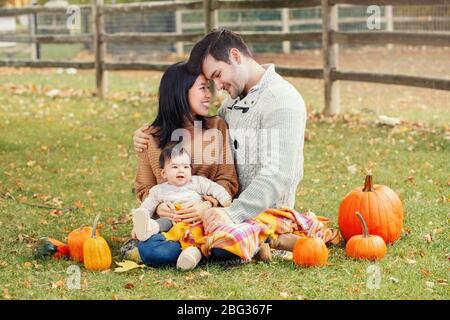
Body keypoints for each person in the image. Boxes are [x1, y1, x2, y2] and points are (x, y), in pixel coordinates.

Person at [133, 29, 307, 235]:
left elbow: (278, 174)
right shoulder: (231, 104)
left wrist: (228, 213)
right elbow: (197, 129)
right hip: (222, 216)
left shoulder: (282, 100)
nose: (218, 87)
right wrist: (146, 134)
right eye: (209, 81)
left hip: (263, 220)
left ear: (235, 56)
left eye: (217, 75)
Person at [123, 61, 241, 267]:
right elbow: (144, 187)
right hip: (170, 225)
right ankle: (192, 251)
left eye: (209, 88)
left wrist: (206, 205)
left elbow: (227, 180)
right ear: (180, 92)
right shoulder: (149, 136)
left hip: (208, 220)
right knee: (154, 252)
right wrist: (160, 206)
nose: (209, 95)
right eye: (202, 88)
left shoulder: (217, 127)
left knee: (226, 244)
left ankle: (200, 249)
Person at [132, 144, 232, 270]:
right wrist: (137, 224)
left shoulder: (197, 182)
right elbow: (146, 207)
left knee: (220, 237)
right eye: (174, 167)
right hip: (173, 223)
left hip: (198, 223)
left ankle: (191, 255)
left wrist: (226, 201)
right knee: (161, 225)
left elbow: (215, 188)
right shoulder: (158, 190)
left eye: (186, 167)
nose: (181, 170)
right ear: (164, 173)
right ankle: (148, 229)